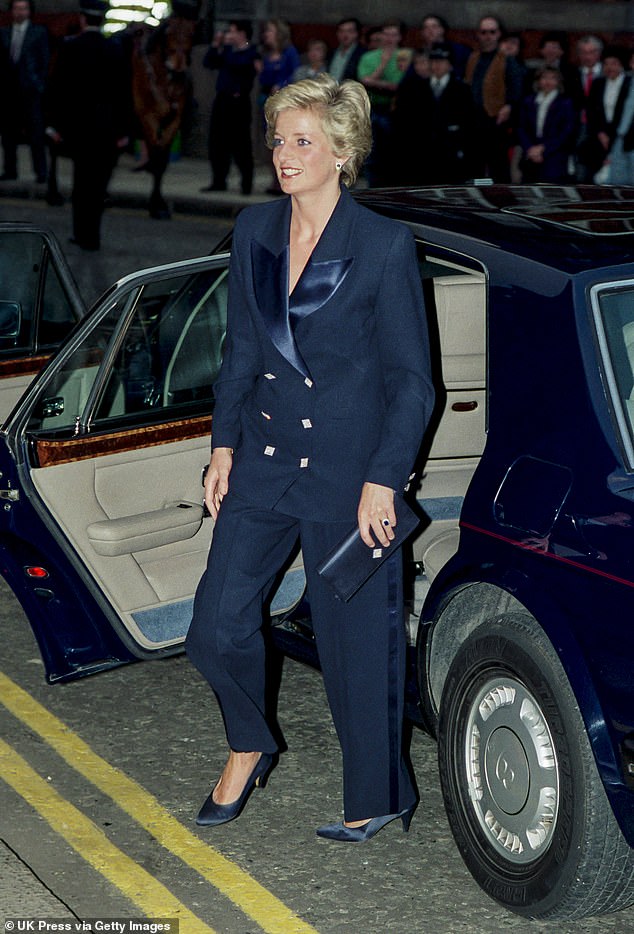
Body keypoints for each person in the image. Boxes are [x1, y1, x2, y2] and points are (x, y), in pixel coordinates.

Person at [185, 74, 434, 842]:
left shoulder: (384, 245)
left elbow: (412, 382)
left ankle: (377, 795)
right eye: (279, 139)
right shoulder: (257, 229)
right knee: (214, 626)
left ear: (342, 151)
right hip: (262, 458)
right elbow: (242, 353)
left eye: (302, 141)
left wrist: (384, 479)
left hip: (349, 475)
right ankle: (249, 741)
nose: (284, 154)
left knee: (359, 649)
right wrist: (221, 445)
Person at [46, 0, 129, 250]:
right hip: (106, 131)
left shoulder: (70, 47)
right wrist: (124, 131)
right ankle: (93, 235)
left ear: (83, 19)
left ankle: (81, 233)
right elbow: (123, 94)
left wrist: (54, 126)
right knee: (99, 184)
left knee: (81, 182)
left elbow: (57, 89)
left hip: (78, 129)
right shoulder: (114, 49)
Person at [392, 43, 476, 185]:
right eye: (434, 61)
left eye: (441, 61)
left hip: (449, 153)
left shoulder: (462, 90)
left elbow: (468, 122)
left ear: (450, 65)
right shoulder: (415, 87)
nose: (436, 65)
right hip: (422, 153)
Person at [201, 20, 259, 196]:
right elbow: (209, 62)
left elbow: (240, 67)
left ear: (242, 34)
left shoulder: (251, 52)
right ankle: (219, 180)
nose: (229, 35)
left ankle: (246, 183)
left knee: (241, 144)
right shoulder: (227, 51)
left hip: (239, 102)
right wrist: (215, 45)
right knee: (217, 142)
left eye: (233, 31)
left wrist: (226, 51)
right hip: (222, 99)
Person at [464, 15, 524, 181]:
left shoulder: (507, 60)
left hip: (496, 119)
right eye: (484, 32)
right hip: (474, 118)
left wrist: (509, 106)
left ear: (498, 34)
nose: (488, 36)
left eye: (492, 32)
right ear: (478, 34)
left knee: (498, 166)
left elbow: (516, 89)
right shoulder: (473, 57)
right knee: (474, 165)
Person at [0, 0, 49, 183]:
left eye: (23, 8)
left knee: (36, 134)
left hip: (30, 91)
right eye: (17, 8)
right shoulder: (4, 32)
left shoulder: (38, 32)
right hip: (9, 92)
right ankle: (10, 170)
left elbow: (44, 60)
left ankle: (41, 172)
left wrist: (38, 85)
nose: (20, 12)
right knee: (8, 134)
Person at [357, 19, 411, 186]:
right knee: (372, 151)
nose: (389, 38)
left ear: (399, 37)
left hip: (396, 109)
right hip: (373, 107)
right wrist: (383, 63)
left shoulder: (406, 56)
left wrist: (378, 84)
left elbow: (401, 84)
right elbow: (365, 81)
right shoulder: (369, 57)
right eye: (386, 34)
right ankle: (372, 188)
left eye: (393, 34)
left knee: (394, 151)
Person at [517, 66, 576, 183]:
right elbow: (521, 127)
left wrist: (544, 148)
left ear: (558, 82)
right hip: (531, 155)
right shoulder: (528, 101)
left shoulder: (566, 103)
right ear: (538, 81)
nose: (548, 81)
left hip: (554, 155)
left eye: (553, 78)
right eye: (544, 77)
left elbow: (566, 131)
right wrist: (530, 149)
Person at [582, 47, 631, 183]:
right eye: (606, 64)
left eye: (614, 63)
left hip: (623, 137)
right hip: (600, 136)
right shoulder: (598, 83)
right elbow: (591, 111)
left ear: (621, 65)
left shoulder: (629, 83)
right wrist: (600, 133)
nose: (610, 67)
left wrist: (616, 136)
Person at [327, 17, 365, 82]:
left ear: (357, 33)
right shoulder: (331, 52)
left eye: (350, 31)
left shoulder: (363, 54)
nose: (345, 35)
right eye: (341, 31)